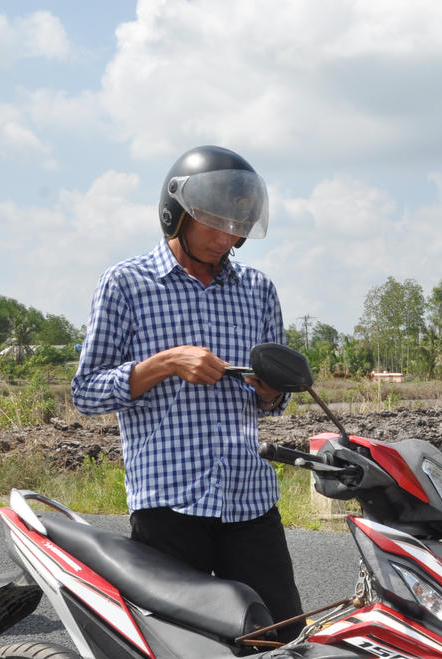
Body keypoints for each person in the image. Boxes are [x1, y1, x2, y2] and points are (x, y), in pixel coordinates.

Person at [72, 145, 302, 626]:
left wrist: (269, 392)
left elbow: (273, 404)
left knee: (280, 637)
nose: (226, 237)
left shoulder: (257, 291)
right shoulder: (126, 284)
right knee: (175, 650)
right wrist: (165, 363)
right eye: (214, 223)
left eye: (237, 227)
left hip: (248, 495)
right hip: (169, 500)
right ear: (176, 215)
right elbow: (87, 391)